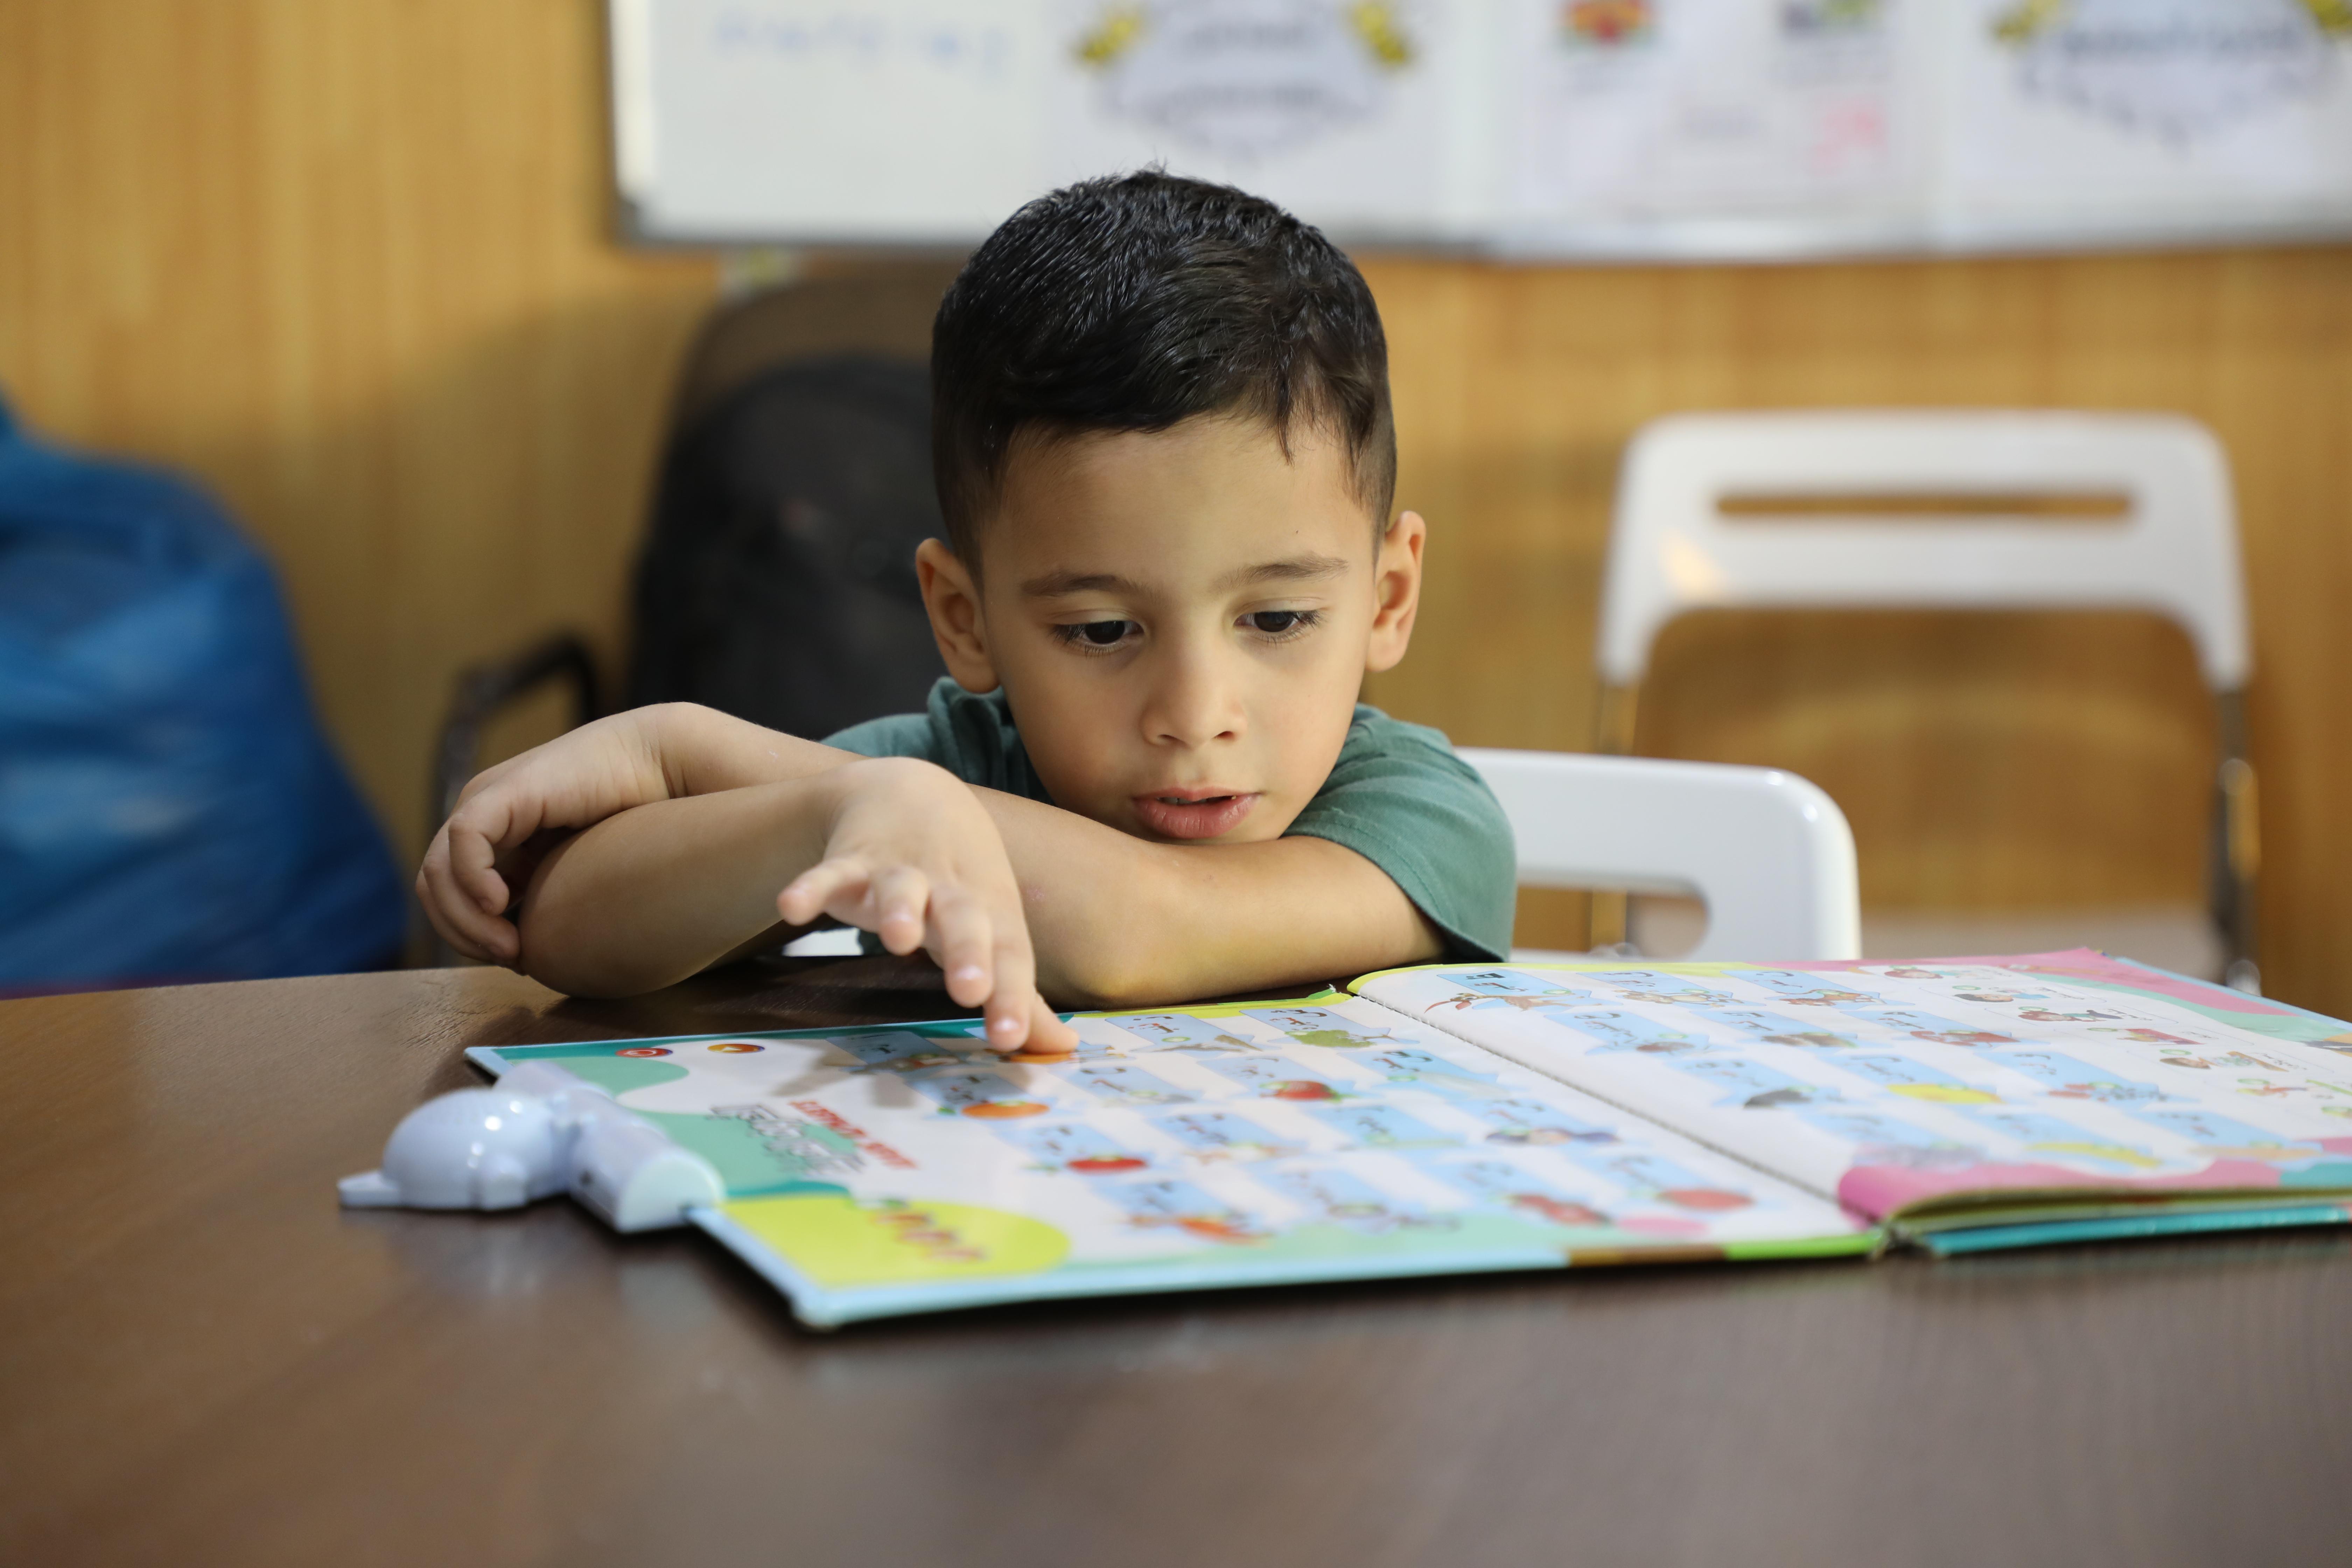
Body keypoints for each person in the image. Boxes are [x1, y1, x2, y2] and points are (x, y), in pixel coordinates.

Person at [416, 172, 1514, 1056]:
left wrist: (689, 749)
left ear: (1389, 595)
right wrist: (832, 812)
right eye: (1100, 631)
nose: (1195, 715)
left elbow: (1144, 928)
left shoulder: (1425, 820)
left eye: (1276, 621)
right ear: (963, 616)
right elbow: (560, 930)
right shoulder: (936, 771)